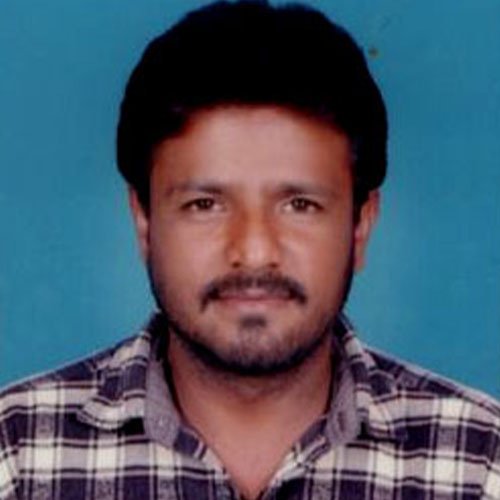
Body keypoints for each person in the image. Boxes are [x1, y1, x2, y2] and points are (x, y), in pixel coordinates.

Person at [0, 1, 499, 498]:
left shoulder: (480, 465)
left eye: (300, 204)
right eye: (204, 204)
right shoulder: (16, 457)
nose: (255, 252)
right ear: (144, 222)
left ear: (360, 226)